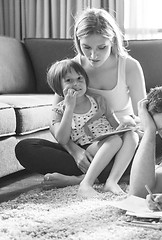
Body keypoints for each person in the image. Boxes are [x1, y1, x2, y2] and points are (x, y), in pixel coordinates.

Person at [15, 8, 146, 189]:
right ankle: (106, 172)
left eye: (102, 47)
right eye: (86, 47)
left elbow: (143, 115)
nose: (93, 56)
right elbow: (55, 122)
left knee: (156, 142)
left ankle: (78, 179)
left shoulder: (129, 66)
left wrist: (132, 123)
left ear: (112, 40)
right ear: (78, 42)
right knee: (26, 148)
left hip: (121, 141)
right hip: (83, 146)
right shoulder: (72, 69)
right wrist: (75, 152)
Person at [46, 58, 138, 197]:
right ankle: (86, 184)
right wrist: (69, 107)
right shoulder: (60, 110)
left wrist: (125, 124)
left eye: (79, 78)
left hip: (111, 140)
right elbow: (62, 139)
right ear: (58, 87)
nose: (76, 84)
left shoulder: (98, 100)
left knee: (132, 135)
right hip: (89, 146)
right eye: (68, 81)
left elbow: (115, 126)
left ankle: (112, 181)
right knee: (115, 140)